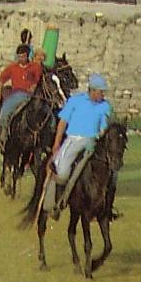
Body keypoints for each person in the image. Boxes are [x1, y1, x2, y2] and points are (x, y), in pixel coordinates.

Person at [44, 73, 114, 219]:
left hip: (93, 141)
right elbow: (63, 122)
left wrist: (97, 137)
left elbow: (104, 127)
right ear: (93, 90)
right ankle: (52, 203)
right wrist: (57, 143)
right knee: (61, 170)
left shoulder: (105, 106)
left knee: (112, 174)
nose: (103, 95)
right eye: (101, 92)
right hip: (73, 139)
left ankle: (107, 208)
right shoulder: (75, 101)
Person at [0, 43, 43, 146]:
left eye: (23, 56)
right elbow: (1, 79)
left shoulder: (35, 67)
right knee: (6, 105)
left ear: (28, 56)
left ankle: (3, 132)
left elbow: (36, 81)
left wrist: (33, 87)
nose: (21, 59)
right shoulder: (13, 67)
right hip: (15, 93)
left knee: (7, 107)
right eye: (19, 56)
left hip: (26, 93)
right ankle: (1, 128)